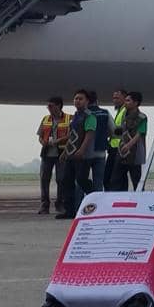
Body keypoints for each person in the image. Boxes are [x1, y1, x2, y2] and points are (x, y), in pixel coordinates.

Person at [56, 89, 97, 219]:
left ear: (87, 101)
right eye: (76, 99)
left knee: (81, 179)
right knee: (66, 181)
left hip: (83, 155)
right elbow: (71, 136)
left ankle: (95, 198)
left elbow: (89, 135)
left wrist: (82, 150)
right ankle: (70, 211)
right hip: (71, 154)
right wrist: (64, 152)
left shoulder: (89, 116)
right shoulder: (75, 117)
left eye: (80, 99)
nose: (77, 101)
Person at [37, 97, 70, 214]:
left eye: (51, 106)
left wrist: (58, 141)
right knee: (44, 179)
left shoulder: (69, 118)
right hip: (47, 154)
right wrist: (42, 142)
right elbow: (40, 135)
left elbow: (72, 135)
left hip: (61, 154)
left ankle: (60, 204)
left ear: (59, 106)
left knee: (61, 179)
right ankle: (44, 205)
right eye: (48, 106)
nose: (49, 109)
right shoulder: (46, 119)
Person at [111, 91, 148, 190]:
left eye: (128, 100)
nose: (125, 102)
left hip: (134, 155)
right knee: (116, 180)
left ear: (135, 103)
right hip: (122, 153)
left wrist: (128, 145)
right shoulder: (124, 116)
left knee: (137, 181)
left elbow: (139, 134)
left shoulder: (142, 117)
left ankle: (141, 202)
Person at [85, 91, 112, 194]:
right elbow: (113, 130)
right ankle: (97, 205)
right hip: (100, 151)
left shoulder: (83, 113)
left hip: (85, 152)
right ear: (97, 100)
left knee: (80, 181)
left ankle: (79, 205)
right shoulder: (105, 113)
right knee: (98, 182)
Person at [104, 88, 127, 190]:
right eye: (113, 98)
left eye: (117, 98)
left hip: (119, 149)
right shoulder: (120, 111)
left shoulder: (125, 111)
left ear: (125, 98)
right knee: (116, 178)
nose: (114, 100)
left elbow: (124, 130)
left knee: (112, 179)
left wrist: (111, 132)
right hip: (114, 148)